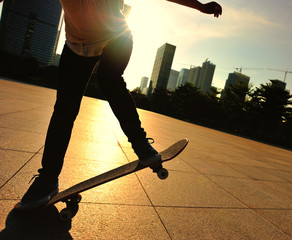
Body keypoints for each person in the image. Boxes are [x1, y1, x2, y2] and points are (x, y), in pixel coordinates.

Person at [14, 0, 222, 209]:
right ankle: (48, 178)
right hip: (77, 46)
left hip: (117, 37)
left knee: (109, 79)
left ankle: (141, 144)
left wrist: (199, 6)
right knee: (64, 110)